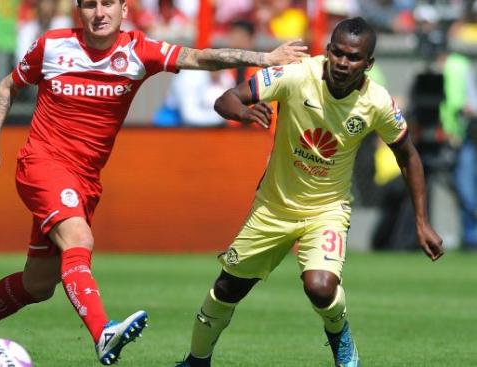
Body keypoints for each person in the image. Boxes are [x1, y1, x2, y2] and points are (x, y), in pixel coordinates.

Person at [0, 0, 308, 366]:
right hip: (42, 165)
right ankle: (103, 333)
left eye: (108, 4)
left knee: (38, 284)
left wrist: (263, 59)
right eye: (89, 5)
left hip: (84, 180)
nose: (99, 13)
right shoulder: (52, 45)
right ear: (78, 12)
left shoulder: (138, 51)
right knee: (79, 240)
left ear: (123, 10)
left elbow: (200, 57)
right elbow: (7, 87)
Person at [175, 17, 444, 367]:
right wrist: (243, 112)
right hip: (273, 207)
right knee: (227, 289)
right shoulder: (297, 74)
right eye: (338, 53)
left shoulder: (376, 102)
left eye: (354, 58)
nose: (343, 63)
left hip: (327, 210)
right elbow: (226, 99)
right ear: (328, 51)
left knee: (320, 286)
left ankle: (340, 336)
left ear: (369, 63)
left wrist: (422, 222)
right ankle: (196, 361)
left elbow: (409, 156)